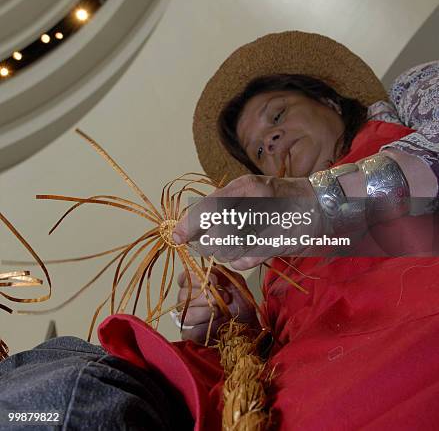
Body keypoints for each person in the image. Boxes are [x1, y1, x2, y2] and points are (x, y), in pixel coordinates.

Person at [1, 31, 438, 430]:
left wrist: (314, 202)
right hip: (298, 397)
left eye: (277, 115)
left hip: (412, 355)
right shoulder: (276, 268)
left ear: (332, 102)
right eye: (258, 150)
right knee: (49, 374)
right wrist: (235, 321)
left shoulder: (408, 102)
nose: (270, 141)